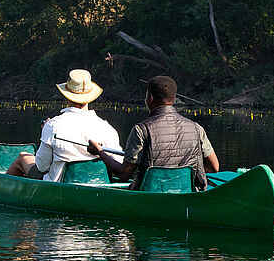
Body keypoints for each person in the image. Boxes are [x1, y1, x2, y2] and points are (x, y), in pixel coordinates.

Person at [90, 74, 219, 189]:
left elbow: (124, 174)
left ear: (150, 98)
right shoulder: (197, 128)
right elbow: (214, 168)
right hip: (185, 192)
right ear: (173, 99)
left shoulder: (141, 130)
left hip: (150, 195)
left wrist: (100, 152)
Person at [5, 69, 121, 180]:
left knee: (22, 157)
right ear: (90, 97)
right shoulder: (107, 128)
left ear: (67, 96)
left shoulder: (52, 125)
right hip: (97, 185)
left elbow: (42, 167)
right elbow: (119, 164)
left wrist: (45, 131)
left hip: (57, 187)